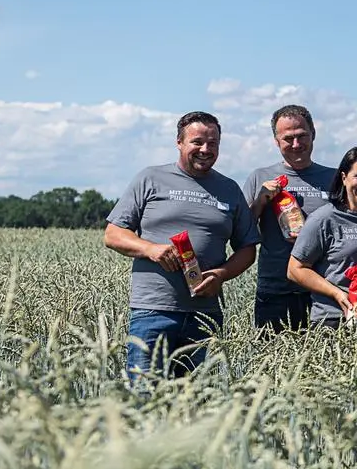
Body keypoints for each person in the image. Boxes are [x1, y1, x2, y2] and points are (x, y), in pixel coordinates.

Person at [104, 111, 259, 389]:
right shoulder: (150, 178)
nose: (205, 150)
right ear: (179, 142)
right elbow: (113, 234)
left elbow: (247, 249)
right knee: (143, 397)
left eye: (213, 143)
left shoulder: (229, 189)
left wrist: (221, 275)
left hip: (205, 315)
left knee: (192, 405)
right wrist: (150, 249)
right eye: (197, 142)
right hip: (153, 311)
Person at [241, 104, 337, 333]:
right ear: (276, 141)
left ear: (313, 134)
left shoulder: (335, 178)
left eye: (302, 136)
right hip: (275, 292)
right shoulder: (260, 177)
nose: (296, 145)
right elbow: (242, 232)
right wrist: (260, 201)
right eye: (288, 138)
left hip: (325, 292)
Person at [287, 146, 357, 330]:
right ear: (344, 178)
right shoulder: (324, 219)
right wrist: (336, 294)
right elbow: (295, 269)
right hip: (334, 319)